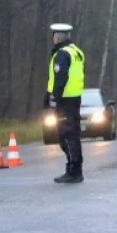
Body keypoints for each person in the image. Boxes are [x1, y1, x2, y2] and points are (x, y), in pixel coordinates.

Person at [45, 23, 86, 183]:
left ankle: (73, 170)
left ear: (58, 37)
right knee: (74, 135)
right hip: (75, 99)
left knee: (66, 136)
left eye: (54, 35)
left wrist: (54, 98)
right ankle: (76, 169)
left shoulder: (62, 54)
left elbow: (60, 78)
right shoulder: (77, 52)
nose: (53, 38)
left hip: (64, 100)